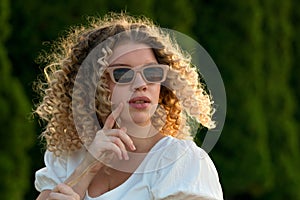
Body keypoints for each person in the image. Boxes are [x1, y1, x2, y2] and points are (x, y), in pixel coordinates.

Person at [34, 12, 223, 200]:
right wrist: (88, 166)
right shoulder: (68, 157)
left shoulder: (181, 161)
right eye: (123, 73)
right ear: (93, 84)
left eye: (152, 72)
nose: (141, 83)